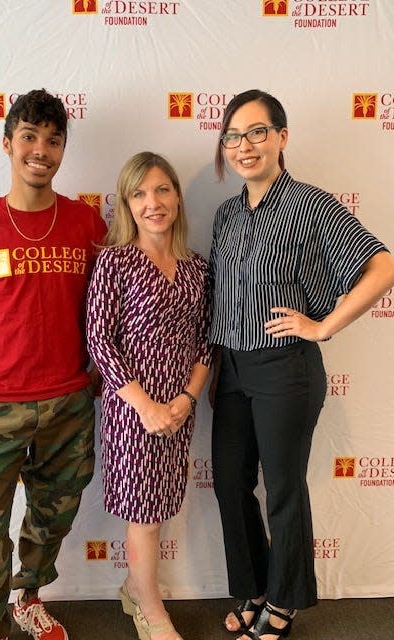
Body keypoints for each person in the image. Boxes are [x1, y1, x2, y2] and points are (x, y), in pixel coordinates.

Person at [209, 89, 394, 640]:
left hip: (286, 367)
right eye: (234, 136)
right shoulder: (225, 214)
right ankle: (255, 588)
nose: (245, 146)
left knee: (284, 488)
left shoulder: (310, 205)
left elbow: (381, 266)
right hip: (232, 368)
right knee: (228, 482)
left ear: (281, 138)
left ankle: (285, 602)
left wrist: (324, 326)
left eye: (257, 132)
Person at [0, 89, 107, 640]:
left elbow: (112, 300)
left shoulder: (87, 224)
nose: (41, 150)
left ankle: (28, 597)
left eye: (54, 140)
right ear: (8, 143)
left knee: (52, 515)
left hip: (70, 402)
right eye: (29, 137)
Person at [86, 152, 211, 640]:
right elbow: (99, 339)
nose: (152, 203)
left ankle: (134, 587)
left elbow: (205, 341)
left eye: (161, 190)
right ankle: (149, 607)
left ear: (177, 196)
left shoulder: (197, 268)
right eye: (138, 194)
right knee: (144, 514)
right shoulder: (114, 261)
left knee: (160, 506)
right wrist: (148, 407)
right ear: (125, 204)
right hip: (131, 411)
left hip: (179, 412)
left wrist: (186, 399)